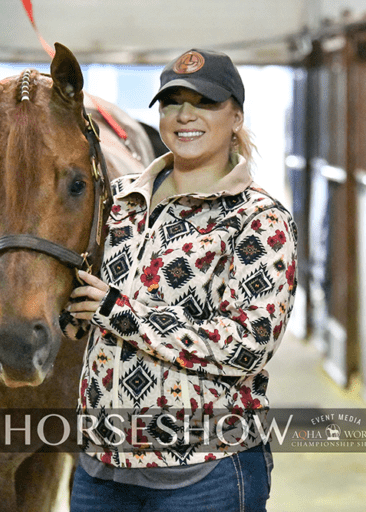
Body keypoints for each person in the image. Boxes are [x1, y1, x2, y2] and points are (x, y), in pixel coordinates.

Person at [62, 48, 298, 512]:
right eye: (173, 102)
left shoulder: (257, 220)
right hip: (102, 469)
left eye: (204, 102)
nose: (185, 115)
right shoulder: (120, 201)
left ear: (236, 117)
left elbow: (248, 345)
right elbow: (91, 316)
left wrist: (119, 312)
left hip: (205, 470)